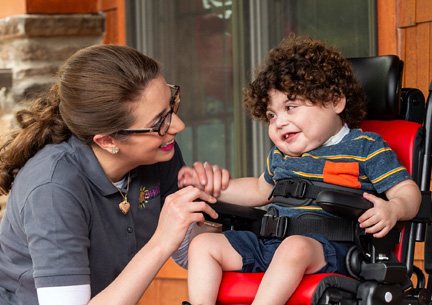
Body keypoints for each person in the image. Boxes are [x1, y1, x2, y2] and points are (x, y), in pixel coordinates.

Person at [179, 36, 422, 305]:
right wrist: (211, 187)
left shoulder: (365, 147)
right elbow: (259, 189)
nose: (279, 122)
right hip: (272, 245)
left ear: (334, 101)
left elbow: (407, 191)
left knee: (294, 247)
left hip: (333, 250)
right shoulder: (282, 156)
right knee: (203, 245)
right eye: (272, 115)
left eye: (290, 107)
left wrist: (394, 209)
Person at [0, 44, 230, 305]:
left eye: (171, 105)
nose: (178, 125)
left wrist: (216, 208)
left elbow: (189, 250)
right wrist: (161, 241)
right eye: (158, 123)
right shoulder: (53, 189)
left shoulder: (158, 152)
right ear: (108, 141)